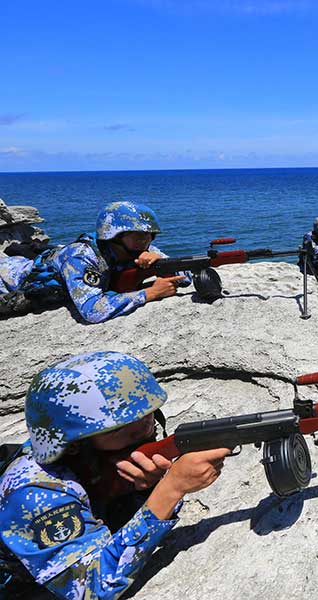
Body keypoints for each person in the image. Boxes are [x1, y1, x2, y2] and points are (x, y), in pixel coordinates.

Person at [0, 351, 231, 599]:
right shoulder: (34, 491)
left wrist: (147, 488)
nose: (143, 429)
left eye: (146, 415)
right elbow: (91, 589)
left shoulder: (95, 463)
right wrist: (171, 488)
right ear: (75, 445)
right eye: (119, 429)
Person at [0, 201, 191, 323]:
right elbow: (92, 310)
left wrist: (163, 263)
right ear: (114, 235)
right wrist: (149, 293)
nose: (145, 239)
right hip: (7, 278)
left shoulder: (142, 250)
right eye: (136, 234)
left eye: (149, 234)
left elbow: (185, 276)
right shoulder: (81, 256)